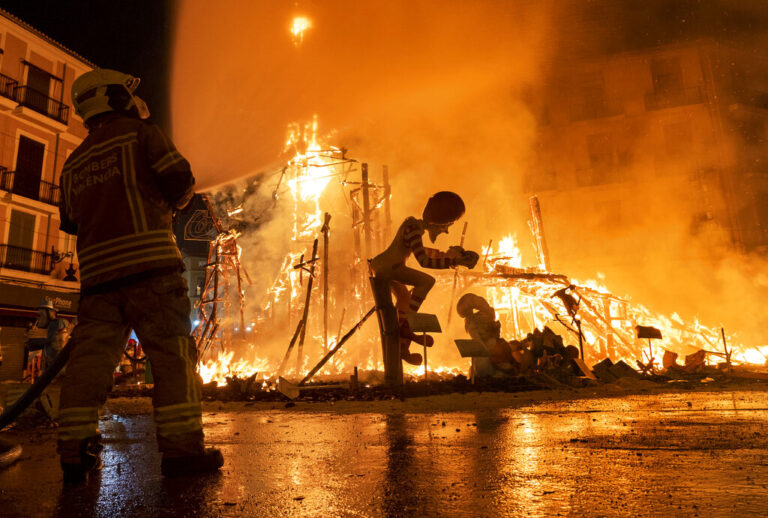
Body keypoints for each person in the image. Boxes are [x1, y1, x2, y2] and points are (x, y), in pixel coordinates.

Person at [56, 68, 222, 483]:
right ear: (115, 97)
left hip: (97, 283)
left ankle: (74, 451)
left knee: (88, 366)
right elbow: (180, 182)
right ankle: (183, 453)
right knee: (172, 359)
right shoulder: (142, 134)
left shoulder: (73, 162)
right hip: (152, 272)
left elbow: (73, 222)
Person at [370, 191, 479, 365]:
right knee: (427, 281)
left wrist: (449, 258)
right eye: (448, 224)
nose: (447, 229)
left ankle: (402, 347)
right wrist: (453, 260)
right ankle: (406, 327)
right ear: (440, 220)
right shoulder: (413, 228)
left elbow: (420, 250)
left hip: (385, 266)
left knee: (404, 298)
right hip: (389, 268)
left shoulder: (414, 228)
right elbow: (424, 261)